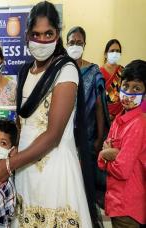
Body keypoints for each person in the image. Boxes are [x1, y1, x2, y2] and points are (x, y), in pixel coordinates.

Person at [0, 1, 98, 227]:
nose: (43, 40)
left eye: (49, 34)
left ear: (58, 34)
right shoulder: (25, 72)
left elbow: (53, 135)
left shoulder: (65, 70)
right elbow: (23, 122)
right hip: (25, 167)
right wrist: (12, 154)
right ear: (26, 36)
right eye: (36, 34)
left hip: (54, 170)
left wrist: (9, 165)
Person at [98, 60, 146, 228]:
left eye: (137, 88)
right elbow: (102, 164)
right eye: (126, 86)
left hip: (128, 204)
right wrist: (111, 155)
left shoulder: (139, 124)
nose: (129, 92)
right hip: (116, 201)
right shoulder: (119, 119)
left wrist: (107, 154)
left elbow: (122, 170)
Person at [66, 26, 110, 208]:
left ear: (84, 45)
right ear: (66, 44)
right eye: (71, 42)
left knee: (85, 186)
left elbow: (100, 106)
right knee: (68, 185)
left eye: (79, 42)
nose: (75, 45)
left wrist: (99, 139)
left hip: (88, 137)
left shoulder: (93, 72)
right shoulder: (62, 69)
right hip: (65, 137)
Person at [100, 39, 124, 121]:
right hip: (103, 116)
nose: (115, 53)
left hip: (121, 115)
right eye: (112, 51)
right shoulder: (98, 72)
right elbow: (97, 97)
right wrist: (105, 115)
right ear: (106, 54)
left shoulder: (123, 71)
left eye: (118, 51)